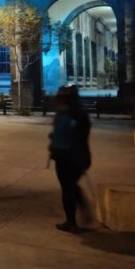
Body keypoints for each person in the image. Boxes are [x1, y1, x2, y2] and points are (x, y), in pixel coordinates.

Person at [48, 85, 93, 233]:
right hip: (78, 157)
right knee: (71, 185)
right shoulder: (79, 114)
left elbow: (71, 137)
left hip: (67, 157)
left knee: (67, 189)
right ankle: (83, 208)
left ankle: (71, 222)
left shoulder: (68, 115)